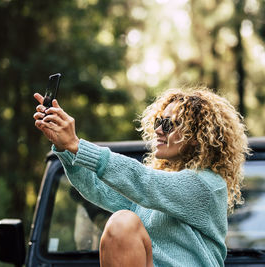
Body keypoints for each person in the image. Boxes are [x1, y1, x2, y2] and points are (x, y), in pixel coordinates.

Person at [33, 87, 250, 267]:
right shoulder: (155, 195)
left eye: (168, 124)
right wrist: (65, 149)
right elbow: (96, 188)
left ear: (196, 137)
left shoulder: (207, 186)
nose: (158, 130)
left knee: (122, 221)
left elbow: (142, 181)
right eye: (158, 122)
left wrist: (77, 145)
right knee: (121, 222)